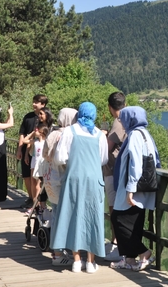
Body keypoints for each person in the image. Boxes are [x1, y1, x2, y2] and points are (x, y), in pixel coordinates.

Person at [51, 102, 108, 273]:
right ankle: (91, 262)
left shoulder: (70, 131)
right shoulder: (99, 134)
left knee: (73, 214)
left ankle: (76, 260)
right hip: (93, 179)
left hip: (74, 177)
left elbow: (60, 157)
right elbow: (103, 160)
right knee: (93, 216)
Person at [110, 106, 159, 271]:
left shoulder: (135, 136)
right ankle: (129, 259)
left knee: (118, 219)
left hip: (132, 188)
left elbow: (136, 165)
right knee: (133, 223)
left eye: (122, 118)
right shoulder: (144, 133)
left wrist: (131, 190)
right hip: (143, 187)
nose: (121, 122)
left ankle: (143, 252)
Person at [43, 107, 77, 267]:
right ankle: (59, 252)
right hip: (63, 178)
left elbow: (44, 154)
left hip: (50, 177)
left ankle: (57, 249)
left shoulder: (52, 133)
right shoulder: (69, 135)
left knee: (55, 212)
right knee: (64, 215)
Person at [104, 92, 127, 256]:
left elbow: (107, 148)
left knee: (114, 208)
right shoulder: (127, 119)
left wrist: (103, 136)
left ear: (110, 107)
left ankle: (116, 242)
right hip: (121, 171)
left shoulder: (118, 123)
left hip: (113, 171)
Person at [18, 94, 48, 209]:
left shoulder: (46, 119)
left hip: (40, 152)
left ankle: (37, 202)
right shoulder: (28, 117)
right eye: (33, 101)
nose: (34, 104)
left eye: (37, 102)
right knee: (26, 175)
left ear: (43, 104)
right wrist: (20, 149)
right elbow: (22, 133)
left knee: (36, 178)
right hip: (29, 148)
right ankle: (31, 198)